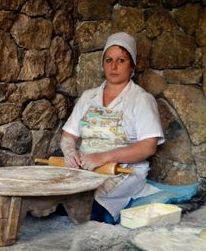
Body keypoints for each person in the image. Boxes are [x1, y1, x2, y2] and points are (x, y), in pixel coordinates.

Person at [60, 32, 165, 223]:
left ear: (131, 65)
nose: (114, 66)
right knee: (57, 204)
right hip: (84, 169)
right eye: (109, 60)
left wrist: (103, 157)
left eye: (121, 60)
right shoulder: (88, 97)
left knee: (89, 212)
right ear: (102, 64)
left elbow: (148, 147)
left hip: (122, 172)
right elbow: (68, 136)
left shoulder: (141, 100)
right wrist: (69, 152)